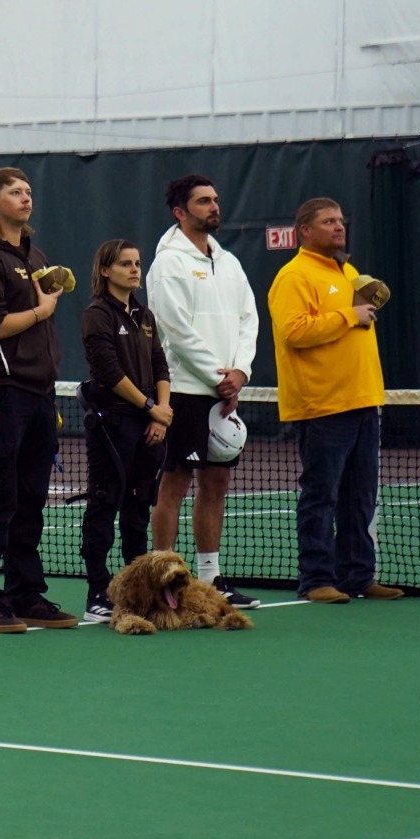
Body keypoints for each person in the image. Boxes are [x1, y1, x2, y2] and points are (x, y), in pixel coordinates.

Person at [0, 167, 78, 634]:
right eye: (15, 192)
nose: (26, 198)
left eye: (28, 191)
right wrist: (42, 310)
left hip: (40, 395)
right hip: (2, 397)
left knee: (30, 501)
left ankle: (26, 594)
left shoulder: (34, 254)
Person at [267, 198, 402, 604]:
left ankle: (358, 576)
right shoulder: (293, 276)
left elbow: (354, 326)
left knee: (360, 497)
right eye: (328, 221)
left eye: (340, 220)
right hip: (323, 405)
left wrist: (359, 310)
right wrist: (349, 315)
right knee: (321, 495)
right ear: (305, 231)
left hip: (363, 400)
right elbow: (294, 331)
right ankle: (316, 579)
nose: (339, 227)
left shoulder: (350, 273)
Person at [145, 174, 259, 609]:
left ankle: (210, 580)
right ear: (180, 212)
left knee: (217, 481)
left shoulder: (230, 262)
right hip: (185, 390)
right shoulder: (167, 264)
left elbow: (248, 319)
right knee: (174, 482)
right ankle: (162, 580)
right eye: (203, 201)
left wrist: (240, 372)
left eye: (215, 199)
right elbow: (172, 328)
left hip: (226, 391)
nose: (214, 207)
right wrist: (218, 377)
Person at [79, 239, 172, 622]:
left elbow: (160, 364)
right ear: (105, 270)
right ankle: (98, 592)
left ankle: (137, 591)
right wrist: (150, 407)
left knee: (137, 507)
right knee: (104, 504)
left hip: (149, 425)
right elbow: (109, 371)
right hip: (113, 424)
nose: (134, 270)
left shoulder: (145, 315)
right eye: (125, 264)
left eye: (137, 263)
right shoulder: (97, 315)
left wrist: (160, 414)